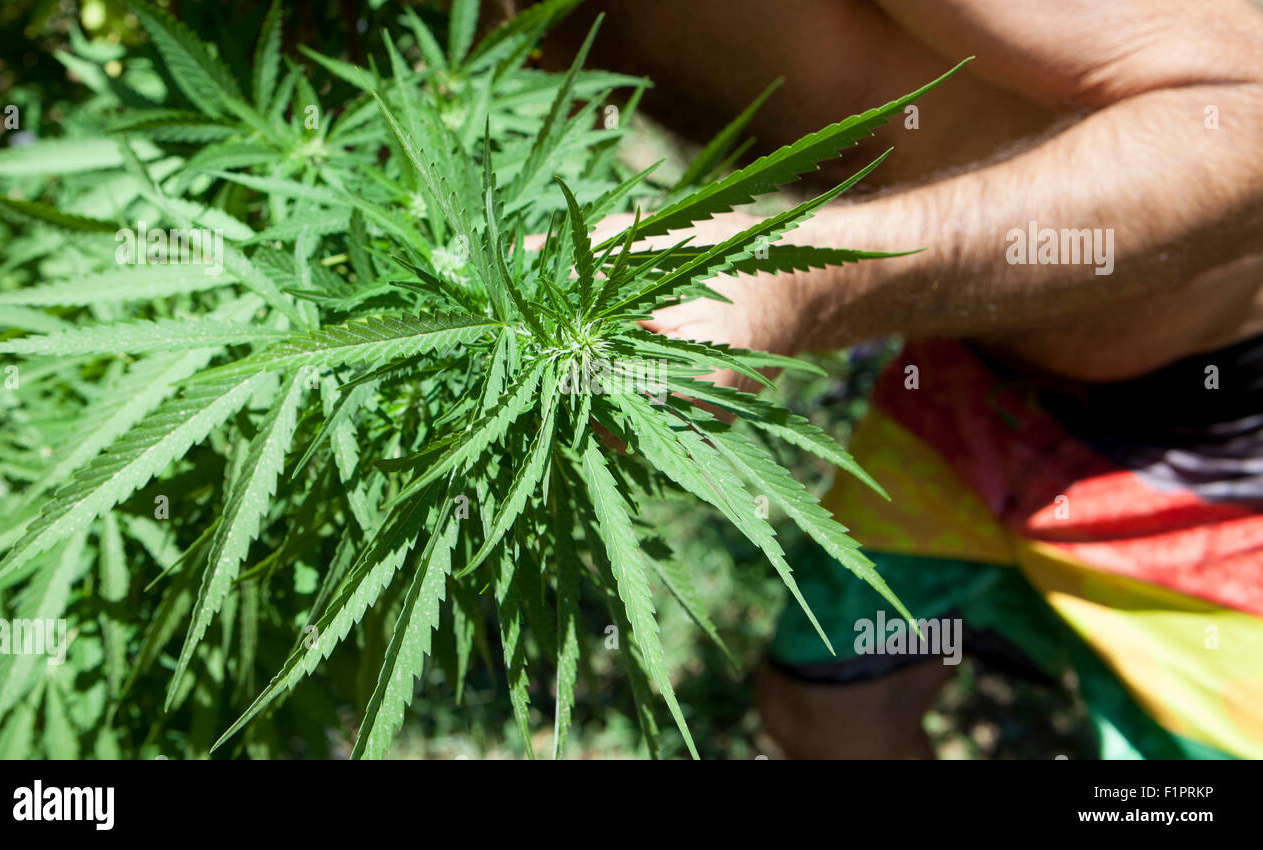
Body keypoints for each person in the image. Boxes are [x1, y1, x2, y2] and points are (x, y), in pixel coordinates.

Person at [533, 0, 1263, 758]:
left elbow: (1249, 114)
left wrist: (796, 286)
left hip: (1212, 426)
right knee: (829, 714)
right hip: (977, 364)